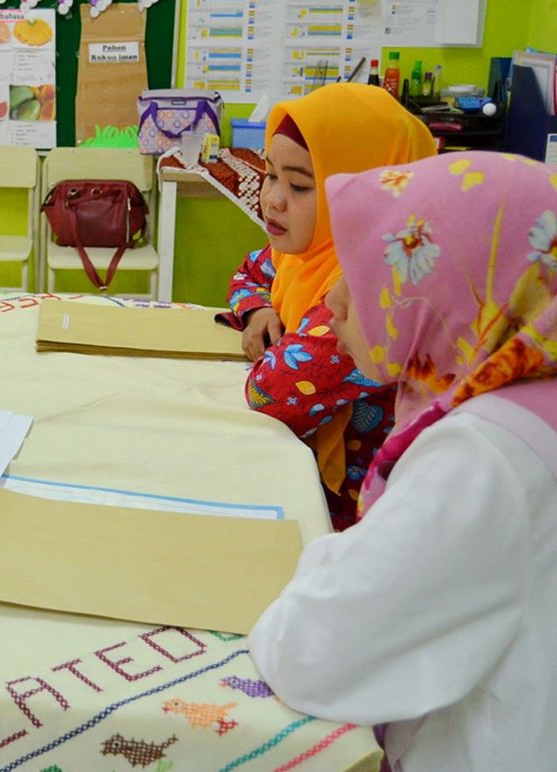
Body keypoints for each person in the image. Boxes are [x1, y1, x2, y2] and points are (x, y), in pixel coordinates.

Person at [248, 151, 557, 770]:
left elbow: (310, 651)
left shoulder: (483, 455)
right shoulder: (514, 402)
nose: (334, 300)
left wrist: (325, 559)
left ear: (449, 283)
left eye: (368, 270)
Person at [221, 83, 435, 530]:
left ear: (371, 192)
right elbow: (250, 272)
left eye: (299, 185)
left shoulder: (377, 288)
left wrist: (281, 343)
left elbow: (271, 392)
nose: (273, 199)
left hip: (365, 516)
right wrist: (261, 310)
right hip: (309, 479)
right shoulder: (306, 252)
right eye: (270, 175)